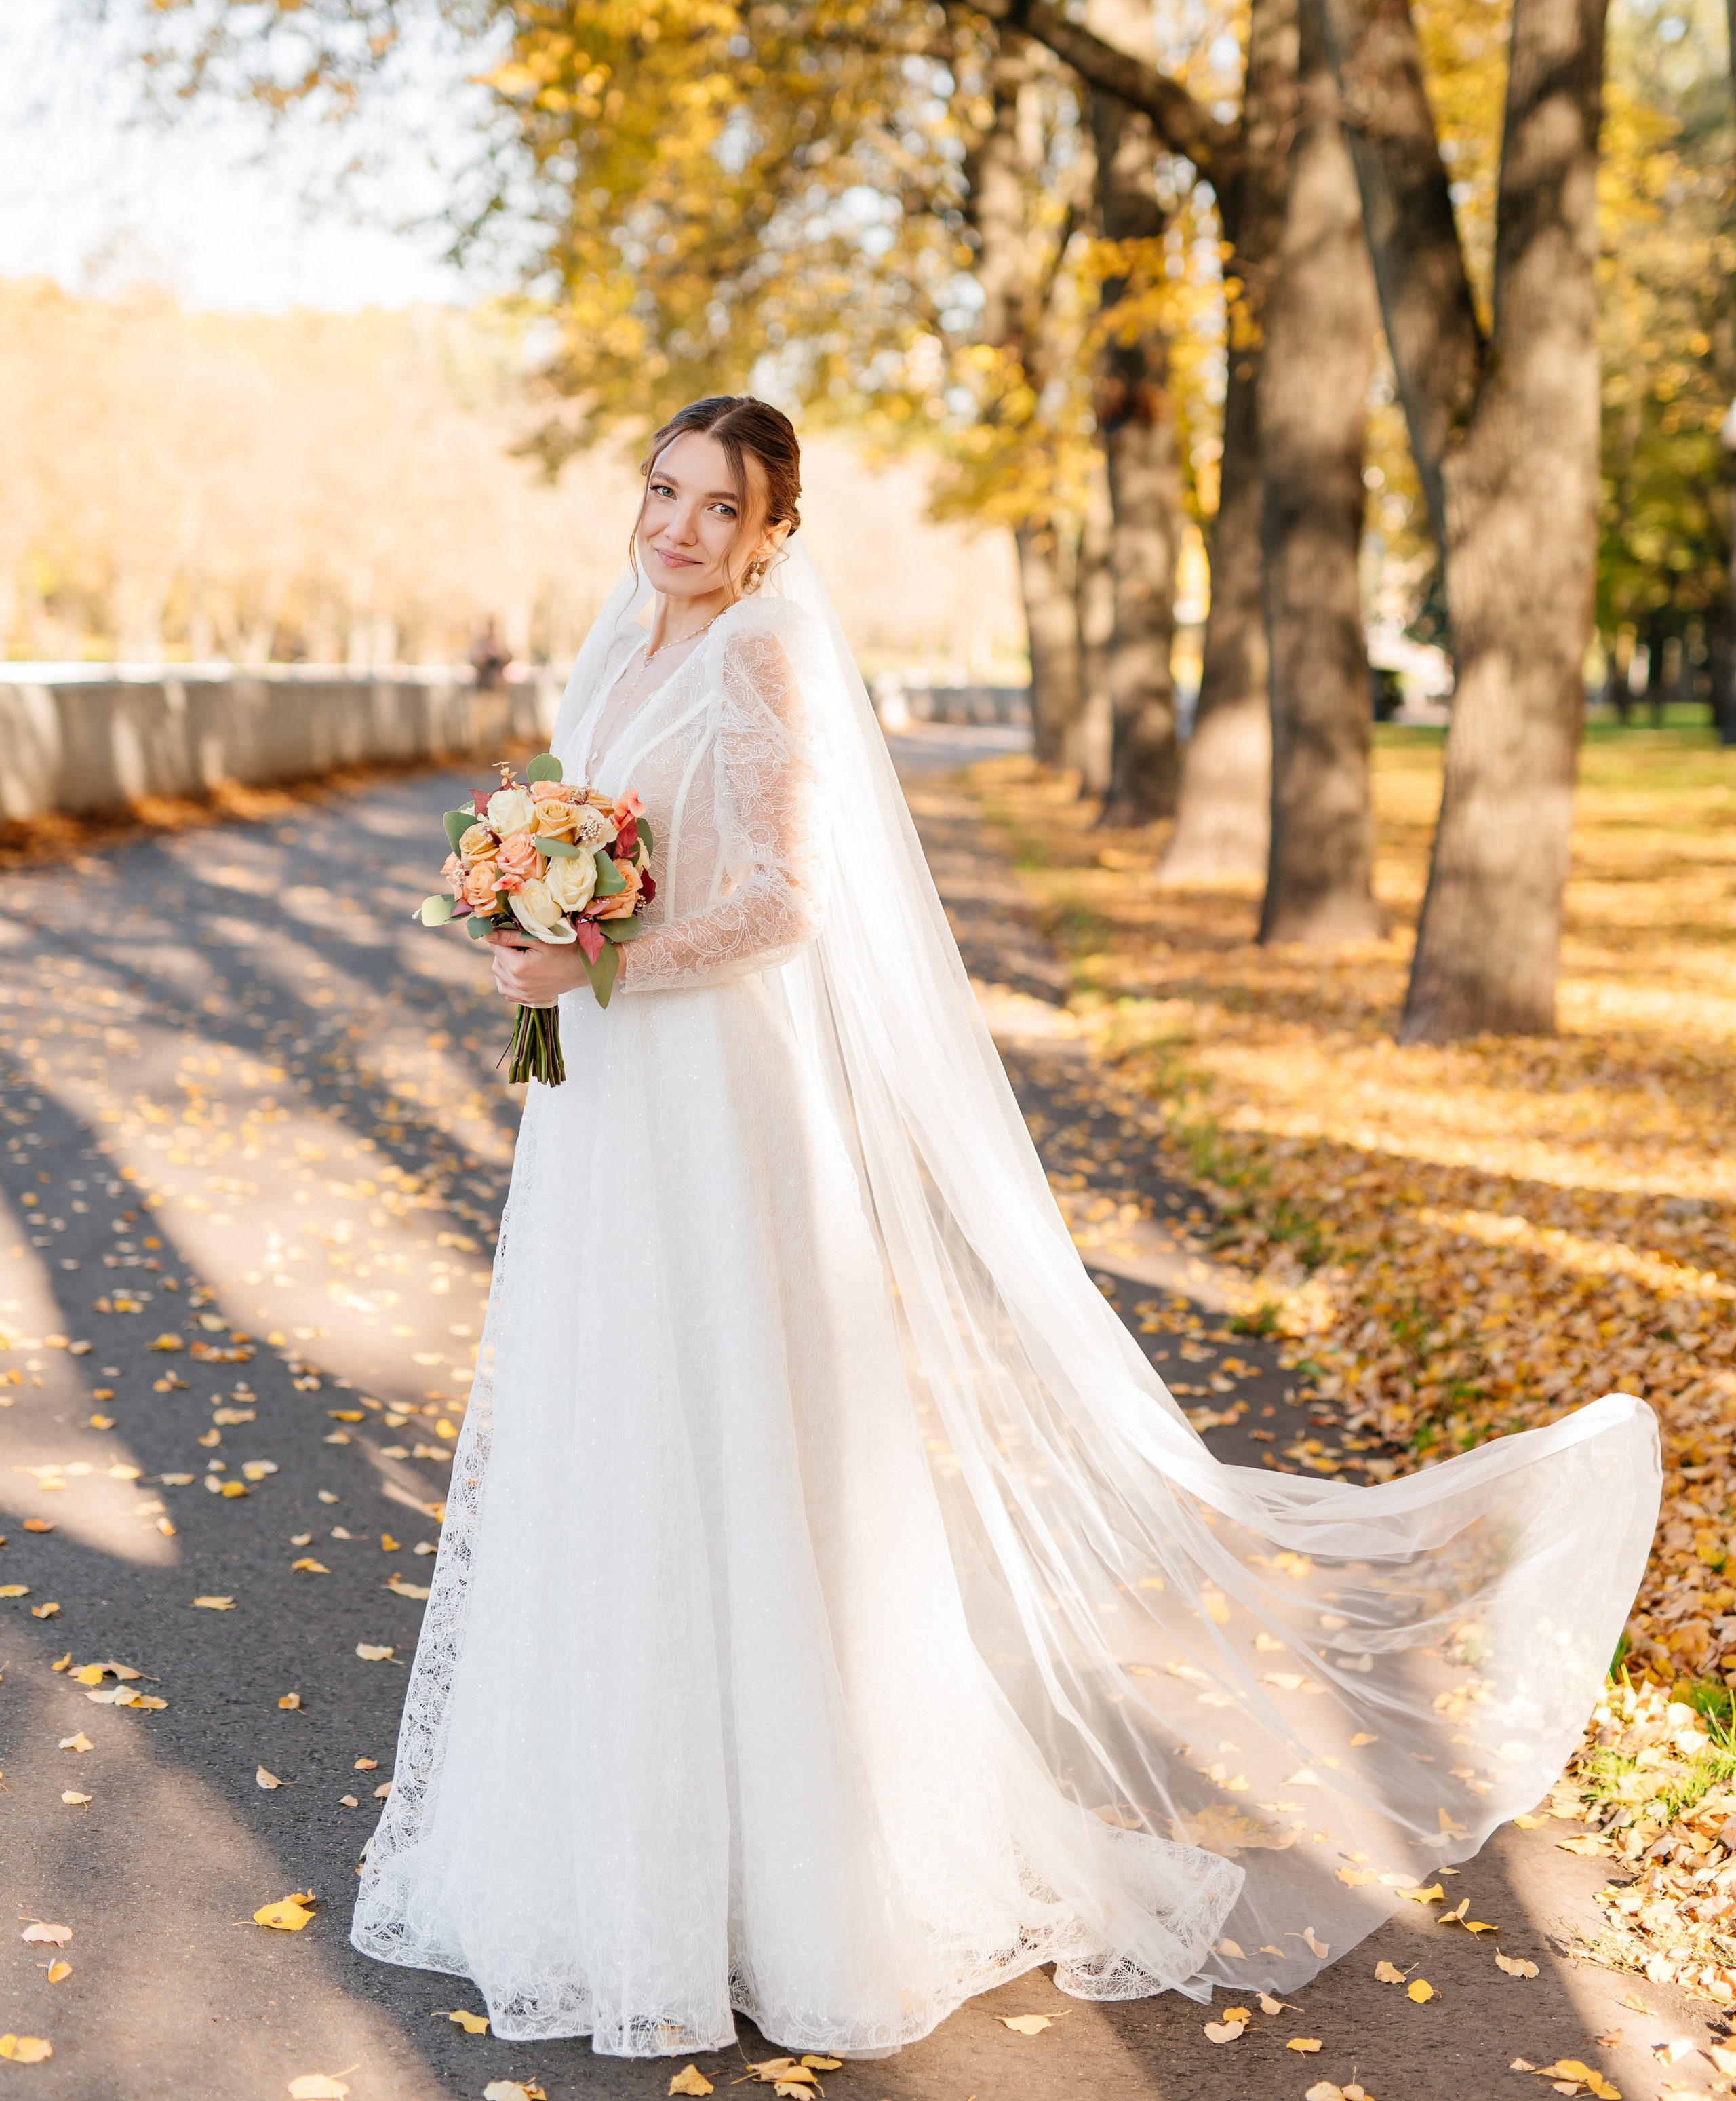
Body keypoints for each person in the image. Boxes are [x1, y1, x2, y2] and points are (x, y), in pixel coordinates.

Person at [351, 395, 1659, 2060]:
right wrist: (533, 921)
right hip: (602, 1106)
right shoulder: (608, 654)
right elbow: (602, 846)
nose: (679, 528)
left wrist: (597, 953)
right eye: (663, 493)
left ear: (773, 537)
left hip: (713, 1100)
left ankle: (786, 1881)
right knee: (614, 1432)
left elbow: (781, 903)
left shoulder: (762, 662)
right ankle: (604, 1851)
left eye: (719, 507)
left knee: (739, 1441)